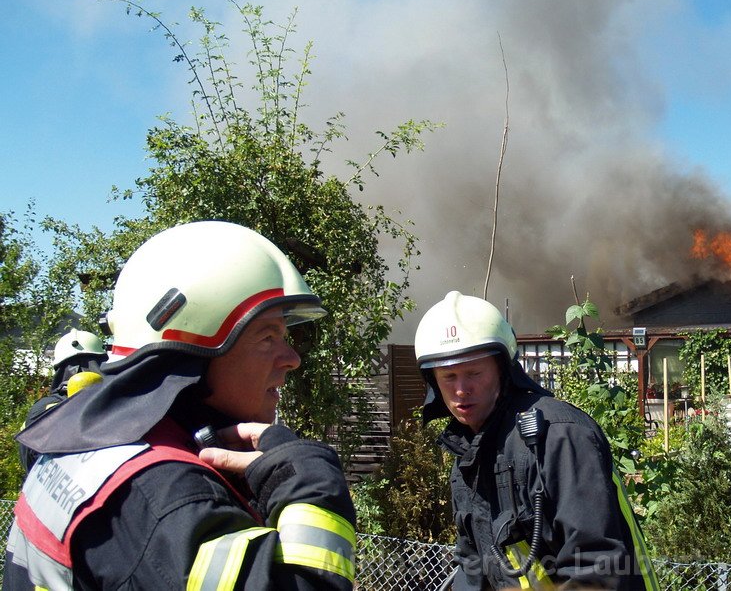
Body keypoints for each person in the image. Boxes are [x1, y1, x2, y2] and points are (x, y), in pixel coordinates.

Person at [4, 220, 356, 590]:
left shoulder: (85, 438)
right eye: (267, 336)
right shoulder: (167, 499)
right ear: (191, 355)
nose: (292, 358)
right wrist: (307, 476)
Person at [415, 291, 660, 590]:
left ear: (503, 370)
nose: (461, 389)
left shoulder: (559, 435)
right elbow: (473, 566)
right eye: (448, 376)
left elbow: (597, 568)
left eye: (474, 372)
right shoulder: (470, 452)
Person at [18, 328, 108, 472]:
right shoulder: (111, 403)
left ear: (58, 368)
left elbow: (27, 459)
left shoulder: (39, 409)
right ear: (101, 362)